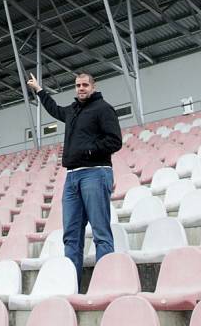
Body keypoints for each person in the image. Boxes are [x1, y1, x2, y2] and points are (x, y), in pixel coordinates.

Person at [27, 70, 122, 284]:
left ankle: (106, 284)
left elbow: (115, 141)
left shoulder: (103, 109)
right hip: (71, 178)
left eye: (85, 85)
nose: (81, 88)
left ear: (93, 87)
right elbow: (55, 110)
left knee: (100, 231)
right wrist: (40, 91)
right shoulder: (73, 110)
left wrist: (88, 151)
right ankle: (71, 285)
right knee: (71, 235)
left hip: (95, 173)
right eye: (78, 85)